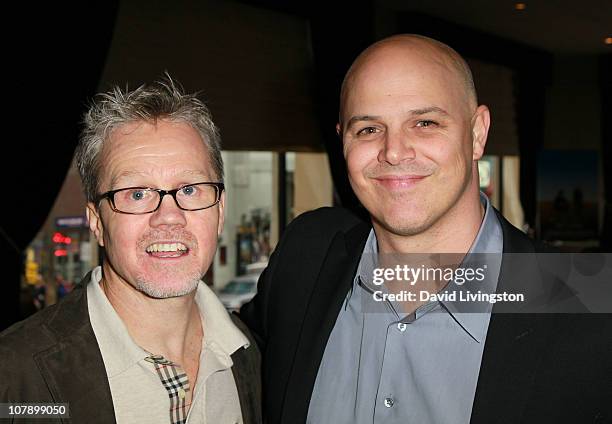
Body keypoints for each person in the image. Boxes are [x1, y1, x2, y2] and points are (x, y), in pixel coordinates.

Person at [240, 35, 611, 423]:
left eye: (424, 122)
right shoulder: (306, 254)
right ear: (342, 141)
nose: (395, 151)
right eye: (368, 129)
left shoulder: (589, 308)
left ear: (477, 133)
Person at [1, 76, 261, 424]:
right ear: (96, 221)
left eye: (190, 189)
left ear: (220, 211)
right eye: (137, 194)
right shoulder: (13, 376)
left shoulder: (250, 354)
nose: (169, 216)